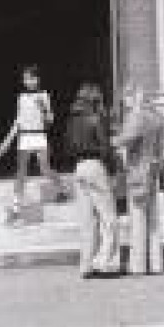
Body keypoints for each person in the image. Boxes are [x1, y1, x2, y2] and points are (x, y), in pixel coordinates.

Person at [0, 64, 68, 219]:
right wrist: (6, 142)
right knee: (21, 173)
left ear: (37, 79)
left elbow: (50, 120)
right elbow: (18, 121)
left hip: (39, 135)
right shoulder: (21, 97)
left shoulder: (44, 95)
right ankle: (16, 206)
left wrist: (43, 107)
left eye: (30, 78)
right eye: (25, 79)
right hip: (24, 137)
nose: (27, 81)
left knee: (45, 169)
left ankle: (62, 189)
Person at [113, 84, 164, 276]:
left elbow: (126, 139)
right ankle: (157, 265)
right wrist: (159, 152)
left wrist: (112, 141)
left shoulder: (137, 116)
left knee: (138, 219)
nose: (125, 104)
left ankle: (138, 266)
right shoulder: (159, 117)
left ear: (133, 97)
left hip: (139, 170)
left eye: (125, 99)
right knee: (153, 219)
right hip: (156, 171)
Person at [65, 82, 120, 278]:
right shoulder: (95, 118)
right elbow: (106, 148)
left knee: (87, 221)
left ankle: (85, 266)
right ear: (94, 99)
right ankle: (105, 263)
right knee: (109, 218)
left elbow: (67, 148)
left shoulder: (73, 119)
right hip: (95, 166)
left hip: (78, 168)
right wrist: (113, 171)